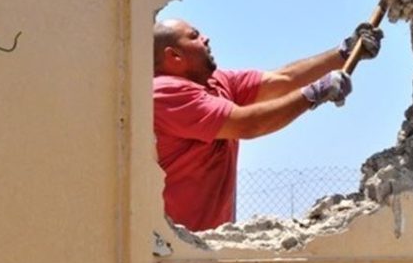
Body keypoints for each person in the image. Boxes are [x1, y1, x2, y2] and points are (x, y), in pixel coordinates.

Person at [152, 18, 383, 231]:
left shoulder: (216, 82)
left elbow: (283, 79)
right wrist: (314, 93)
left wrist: (344, 52)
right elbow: (248, 124)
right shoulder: (164, 93)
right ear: (174, 56)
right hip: (175, 246)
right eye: (194, 36)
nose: (206, 38)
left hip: (205, 243)